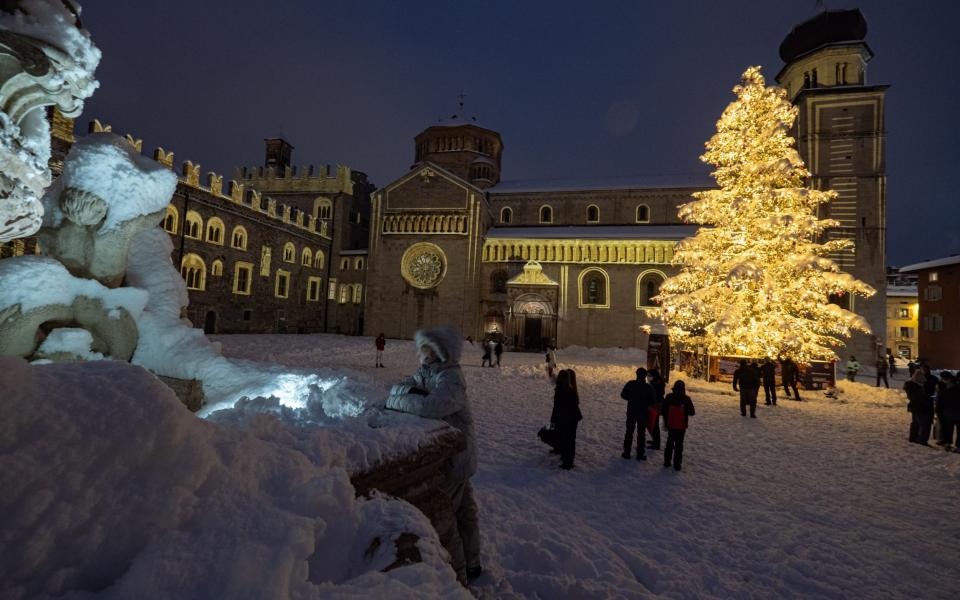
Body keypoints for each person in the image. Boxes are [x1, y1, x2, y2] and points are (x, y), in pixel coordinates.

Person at [386, 326, 481, 583]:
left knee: (449, 516)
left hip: (456, 457)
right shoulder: (429, 371)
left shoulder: (451, 379)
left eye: (426, 347)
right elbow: (399, 386)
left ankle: (458, 576)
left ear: (440, 351)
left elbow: (432, 406)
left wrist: (396, 401)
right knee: (464, 511)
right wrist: (406, 394)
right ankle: (473, 563)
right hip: (453, 455)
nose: (421, 352)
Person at [550, 369, 583, 469]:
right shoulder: (571, 390)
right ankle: (567, 459)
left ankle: (568, 462)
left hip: (566, 418)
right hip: (573, 418)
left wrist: (553, 420)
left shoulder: (560, 391)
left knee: (567, 439)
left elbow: (557, 408)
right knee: (570, 439)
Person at [662, 380, 696, 471]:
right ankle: (677, 464)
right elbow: (692, 412)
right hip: (681, 426)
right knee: (679, 445)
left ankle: (667, 461)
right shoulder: (686, 399)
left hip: (671, 424)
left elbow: (663, 410)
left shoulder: (669, 397)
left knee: (669, 443)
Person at [620, 367, 654, 460]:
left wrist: (631, 399)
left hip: (631, 411)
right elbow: (652, 401)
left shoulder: (630, 384)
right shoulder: (648, 387)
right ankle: (640, 454)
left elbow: (623, 395)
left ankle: (626, 452)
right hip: (643, 413)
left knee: (629, 432)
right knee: (641, 433)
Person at [904, 369, 934, 446]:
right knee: (925, 424)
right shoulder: (915, 387)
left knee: (916, 423)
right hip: (920, 408)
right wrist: (928, 400)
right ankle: (922, 440)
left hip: (915, 407)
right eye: (922, 381)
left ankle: (913, 438)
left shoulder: (911, 386)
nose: (923, 383)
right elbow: (919, 398)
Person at [936, 371, 960, 451]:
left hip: (948, 413)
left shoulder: (944, 392)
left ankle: (947, 444)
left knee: (948, 429)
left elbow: (939, 404)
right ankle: (958, 446)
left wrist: (939, 413)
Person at [647, 369, 666, 451]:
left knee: (655, 424)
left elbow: (657, 396)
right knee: (653, 424)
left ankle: (656, 443)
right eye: (648, 375)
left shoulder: (658, 384)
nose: (648, 377)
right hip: (654, 406)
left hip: (656, 406)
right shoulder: (655, 383)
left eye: (650, 375)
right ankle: (655, 440)